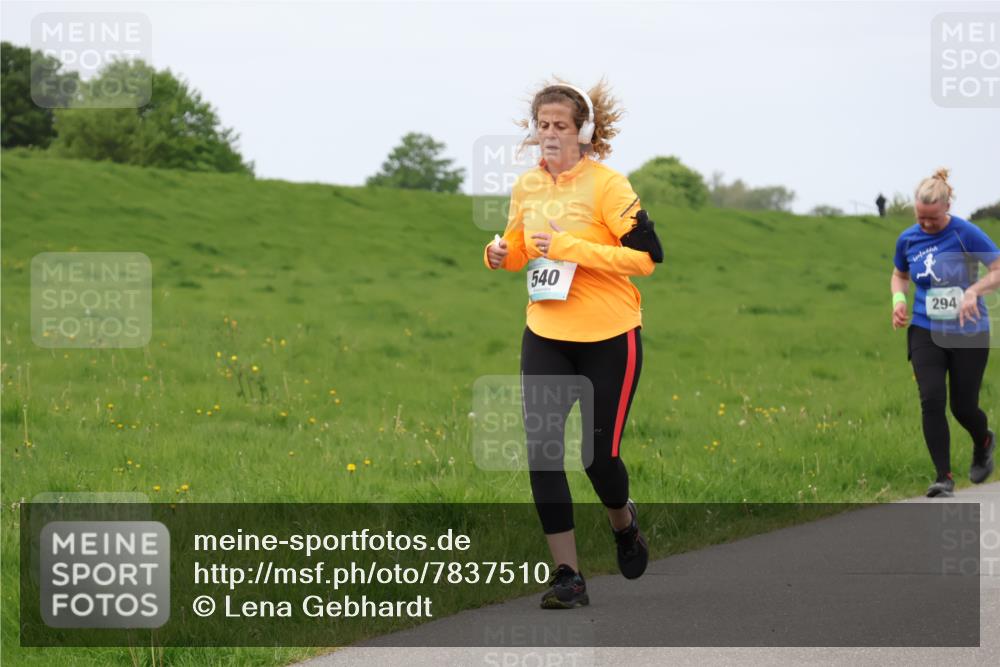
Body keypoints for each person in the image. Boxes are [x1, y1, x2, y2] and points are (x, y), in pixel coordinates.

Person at [483, 79, 662, 608]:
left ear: (582, 132)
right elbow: (519, 248)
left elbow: (647, 258)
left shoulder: (609, 186)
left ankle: (623, 522)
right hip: (545, 333)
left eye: (562, 126)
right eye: (543, 126)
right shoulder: (527, 187)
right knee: (542, 454)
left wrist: (572, 248)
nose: (551, 135)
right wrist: (497, 253)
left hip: (610, 334)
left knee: (597, 458)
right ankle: (568, 576)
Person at [891, 168, 1000, 497]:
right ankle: (944, 478)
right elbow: (899, 274)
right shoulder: (908, 238)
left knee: (963, 407)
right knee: (932, 399)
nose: (925, 225)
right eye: (920, 218)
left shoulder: (966, 233)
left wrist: (974, 291)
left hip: (968, 330)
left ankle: (983, 441)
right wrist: (898, 299)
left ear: (947, 207)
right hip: (925, 327)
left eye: (932, 219)